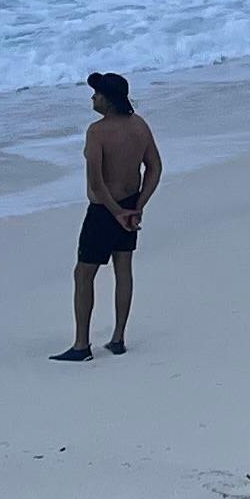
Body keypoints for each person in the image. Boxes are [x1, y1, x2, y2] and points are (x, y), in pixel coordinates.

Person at [56, 70, 161, 362]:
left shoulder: (97, 132)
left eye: (97, 94)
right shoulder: (140, 126)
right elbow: (154, 168)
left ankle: (81, 345)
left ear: (109, 100)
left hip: (105, 211)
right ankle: (118, 338)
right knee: (123, 267)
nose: (93, 97)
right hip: (129, 206)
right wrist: (138, 207)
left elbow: (96, 183)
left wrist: (116, 213)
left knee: (83, 273)